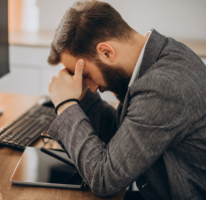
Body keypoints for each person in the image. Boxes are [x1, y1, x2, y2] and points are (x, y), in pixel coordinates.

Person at [46, 1, 206, 200]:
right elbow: (125, 136)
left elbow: (104, 179)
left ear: (106, 52)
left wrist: (66, 105)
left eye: (85, 75)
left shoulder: (163, 86)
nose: (91, 87)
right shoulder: (160, 55)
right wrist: (80, 98)